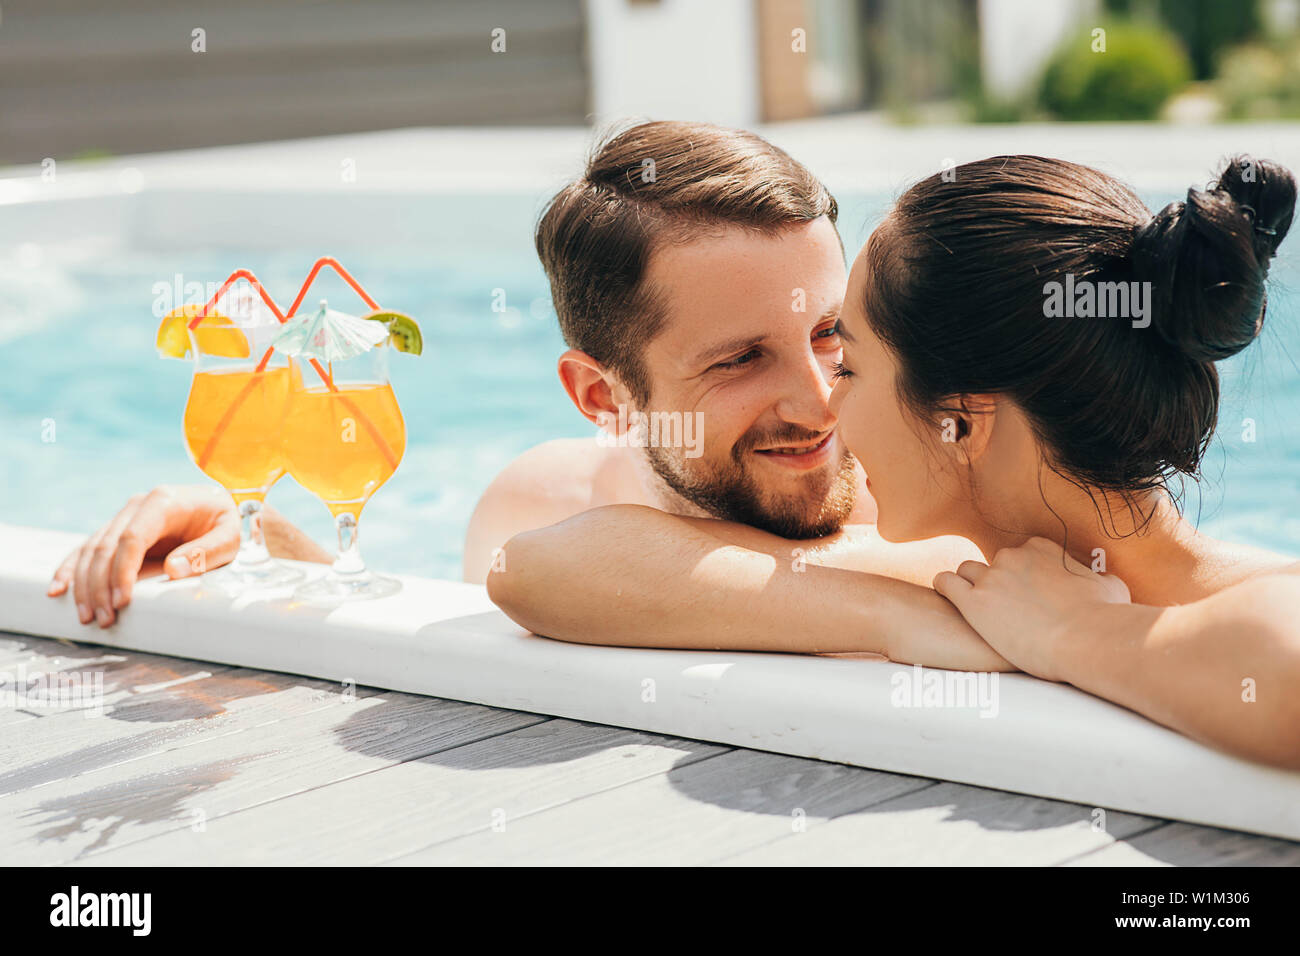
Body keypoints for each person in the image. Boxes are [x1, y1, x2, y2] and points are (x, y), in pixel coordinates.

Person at [47, 121, 1007, 671]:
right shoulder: (536, 504)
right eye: (739, 359)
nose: (819, 399)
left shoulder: (939, 493)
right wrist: (249, 530)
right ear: (603, 396)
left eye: (829, 333)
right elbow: (408, 657)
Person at [492, 153, 1300, 769]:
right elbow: (535, 568)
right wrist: (895, 617)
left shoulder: (1112, 600)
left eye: (847, 365)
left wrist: (1080, 636)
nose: (824, 411)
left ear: (961, 423)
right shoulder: (1000, 578)